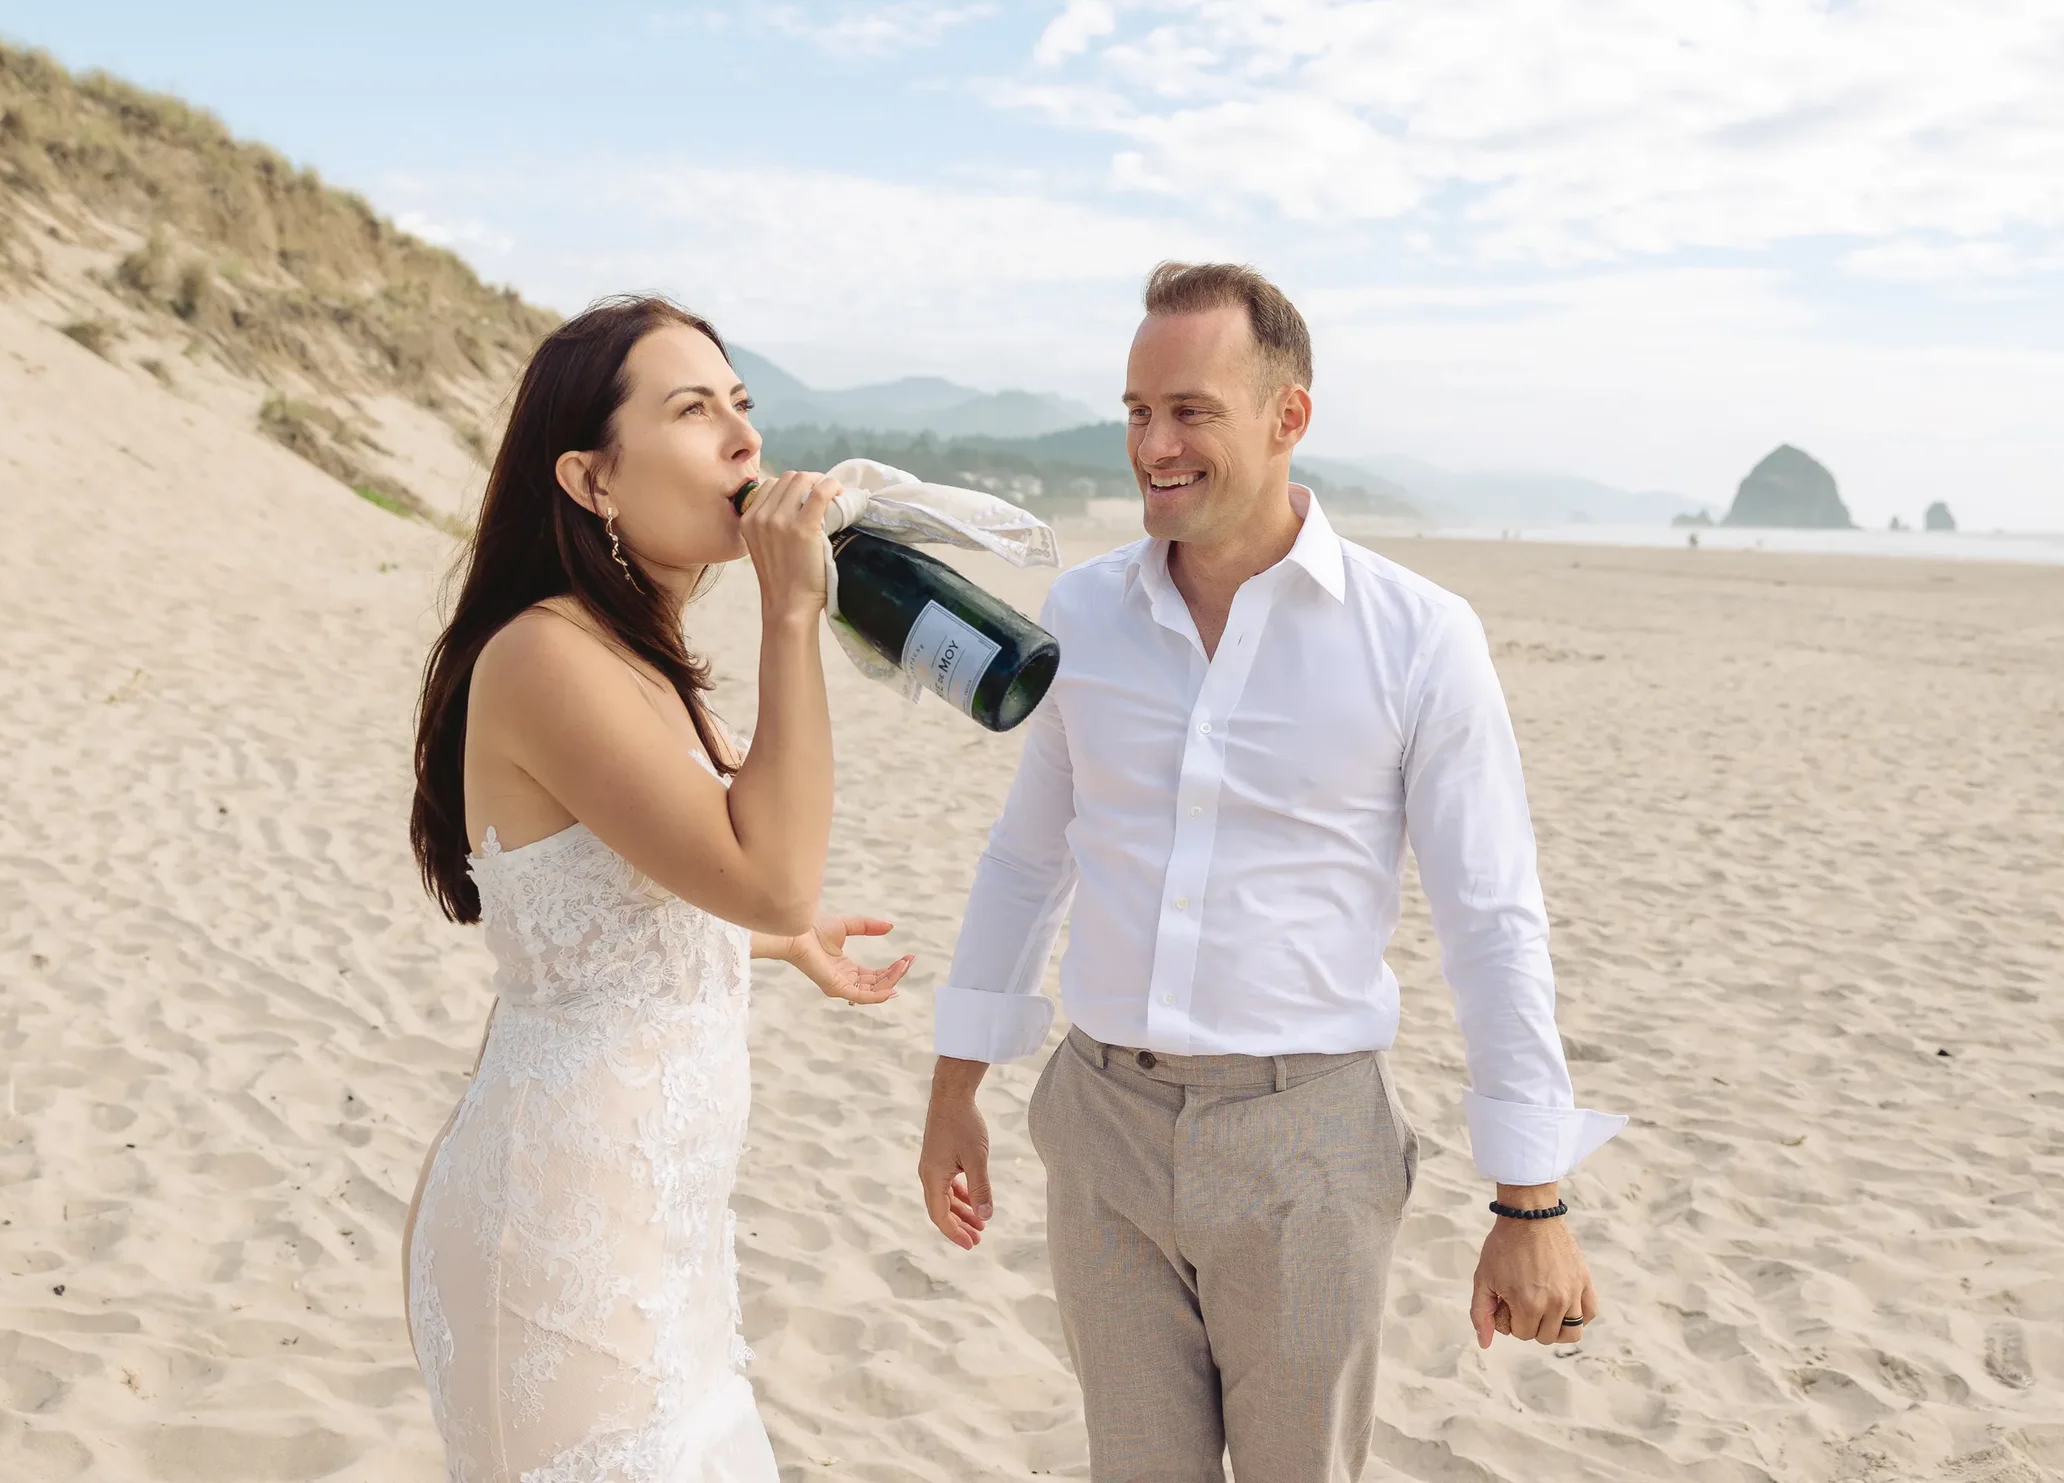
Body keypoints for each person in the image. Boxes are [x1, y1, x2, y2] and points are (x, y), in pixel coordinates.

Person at [917, 263, 1624, 1483]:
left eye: (1190, 409)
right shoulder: (1080, 615)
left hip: (1310, 1149)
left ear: (1288, 416)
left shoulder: (1419, 636)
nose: (1153, 443)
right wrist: (955, 1084)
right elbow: (1028, 858)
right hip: (1102, 1131)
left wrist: (1532, 1199)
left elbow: (1492, 919)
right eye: (1136, 411)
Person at [403, 296, 911, 1482]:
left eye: (743, 404)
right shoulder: (541, 653)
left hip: (664, 1244)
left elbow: (665, 893)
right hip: (563, 1234)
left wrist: (776, 944)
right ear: (590, 478)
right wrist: (794, 607)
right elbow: (772, 873)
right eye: (693, 410)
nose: (743, 438)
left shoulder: (643, 665)